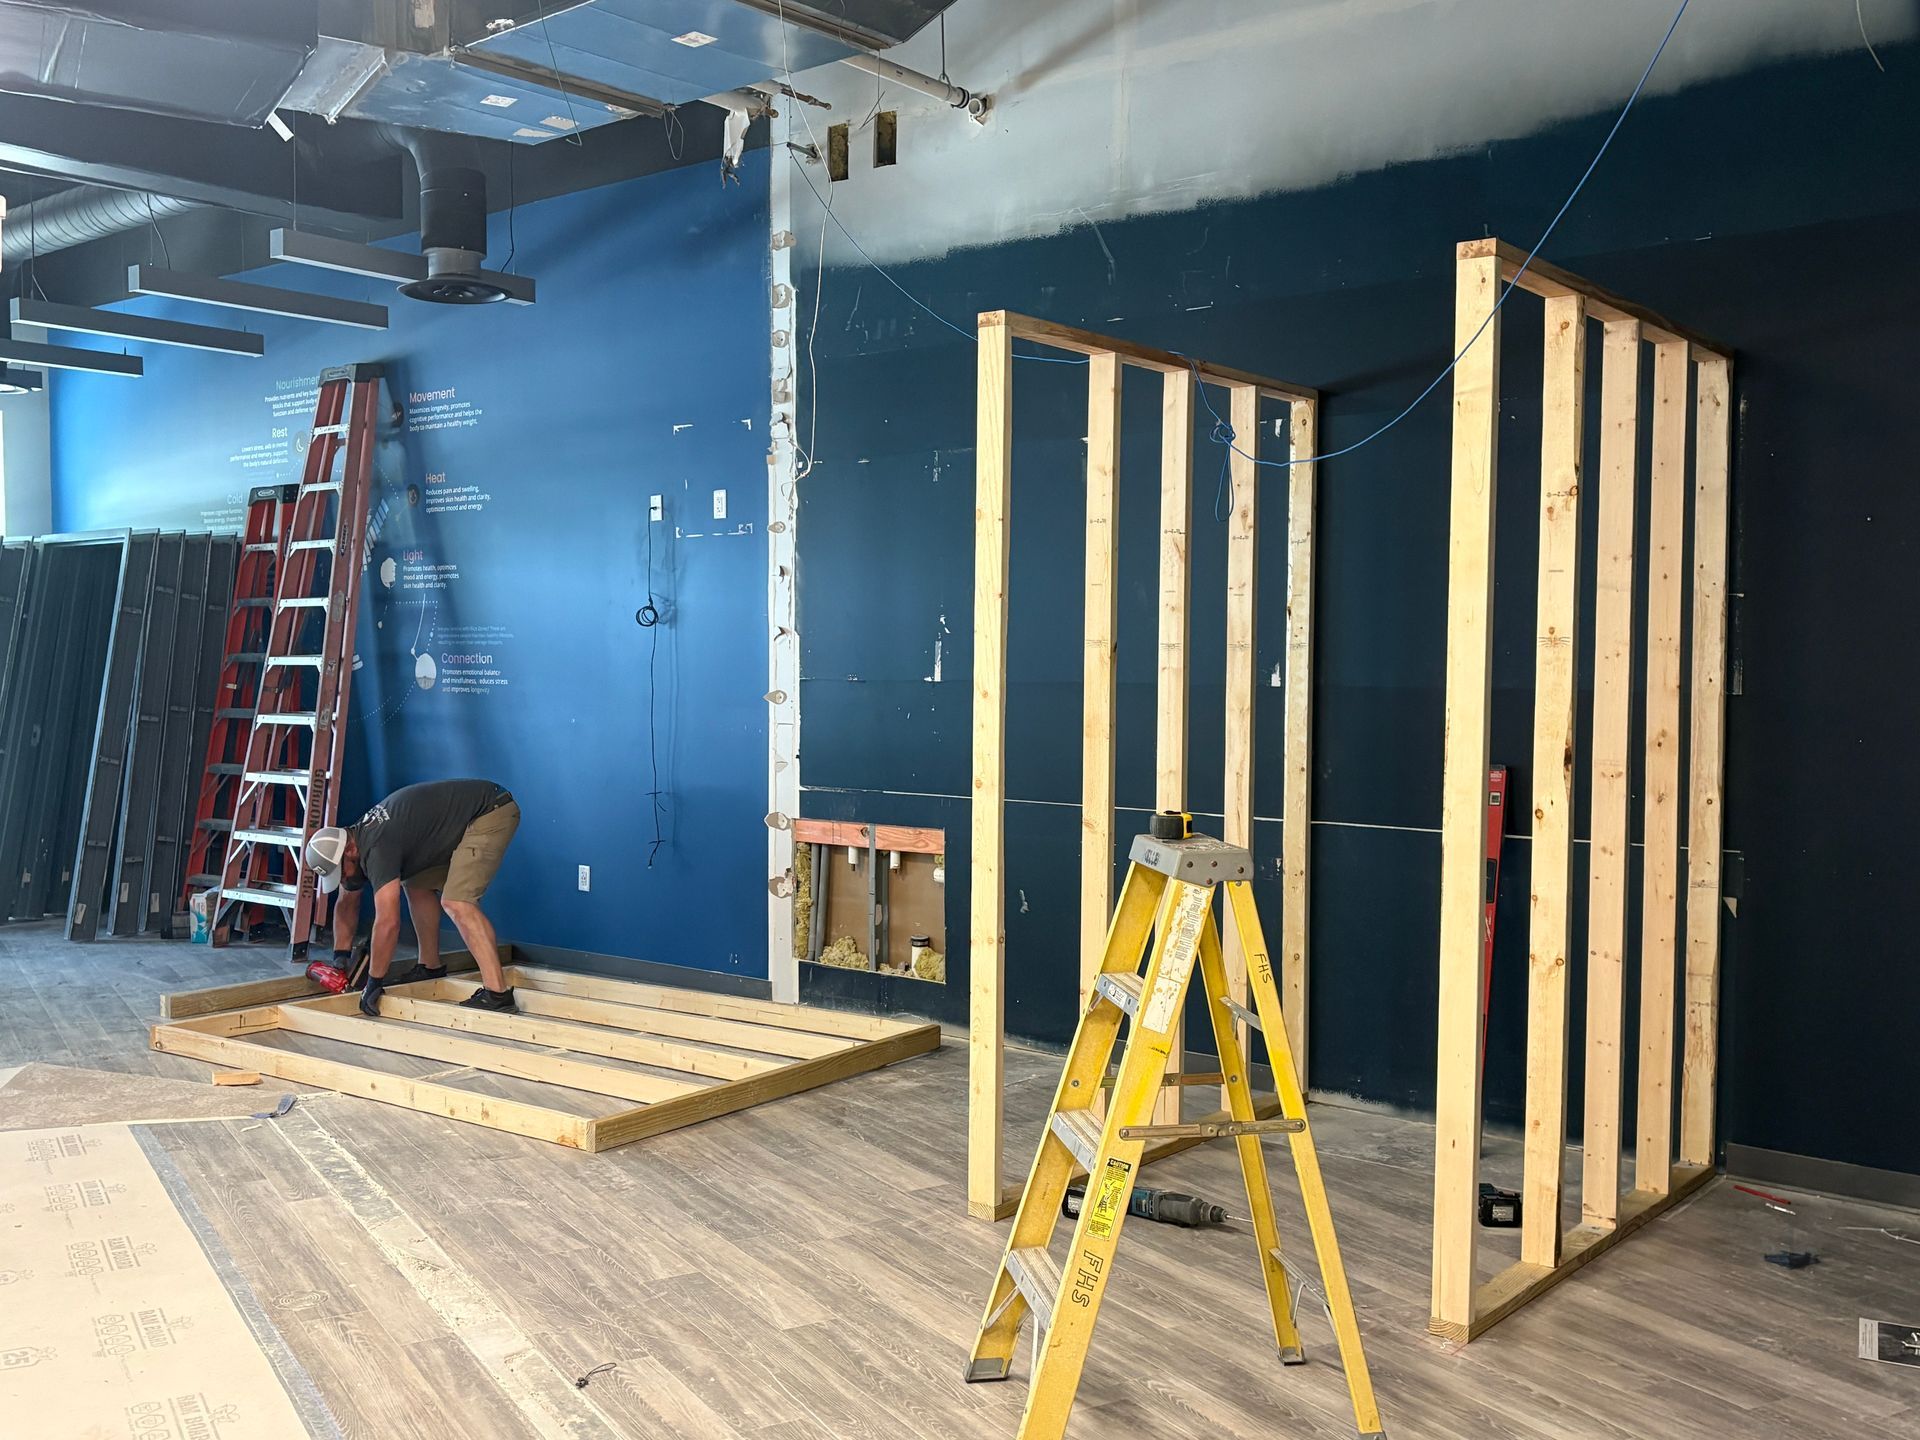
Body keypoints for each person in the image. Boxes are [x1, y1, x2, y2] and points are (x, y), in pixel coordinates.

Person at [305, 779, 520, 1016]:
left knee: (457, 902)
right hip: (460, 820)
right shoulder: (353, 844)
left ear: (349, 851)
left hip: (489, 811)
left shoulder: (376, 848)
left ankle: (497, 994)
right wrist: (340, 957)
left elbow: (388, 923)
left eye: (340, 871)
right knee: (417, 884)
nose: (343, 878)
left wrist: (374, 981)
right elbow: (347, 902)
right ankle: (430, 967)